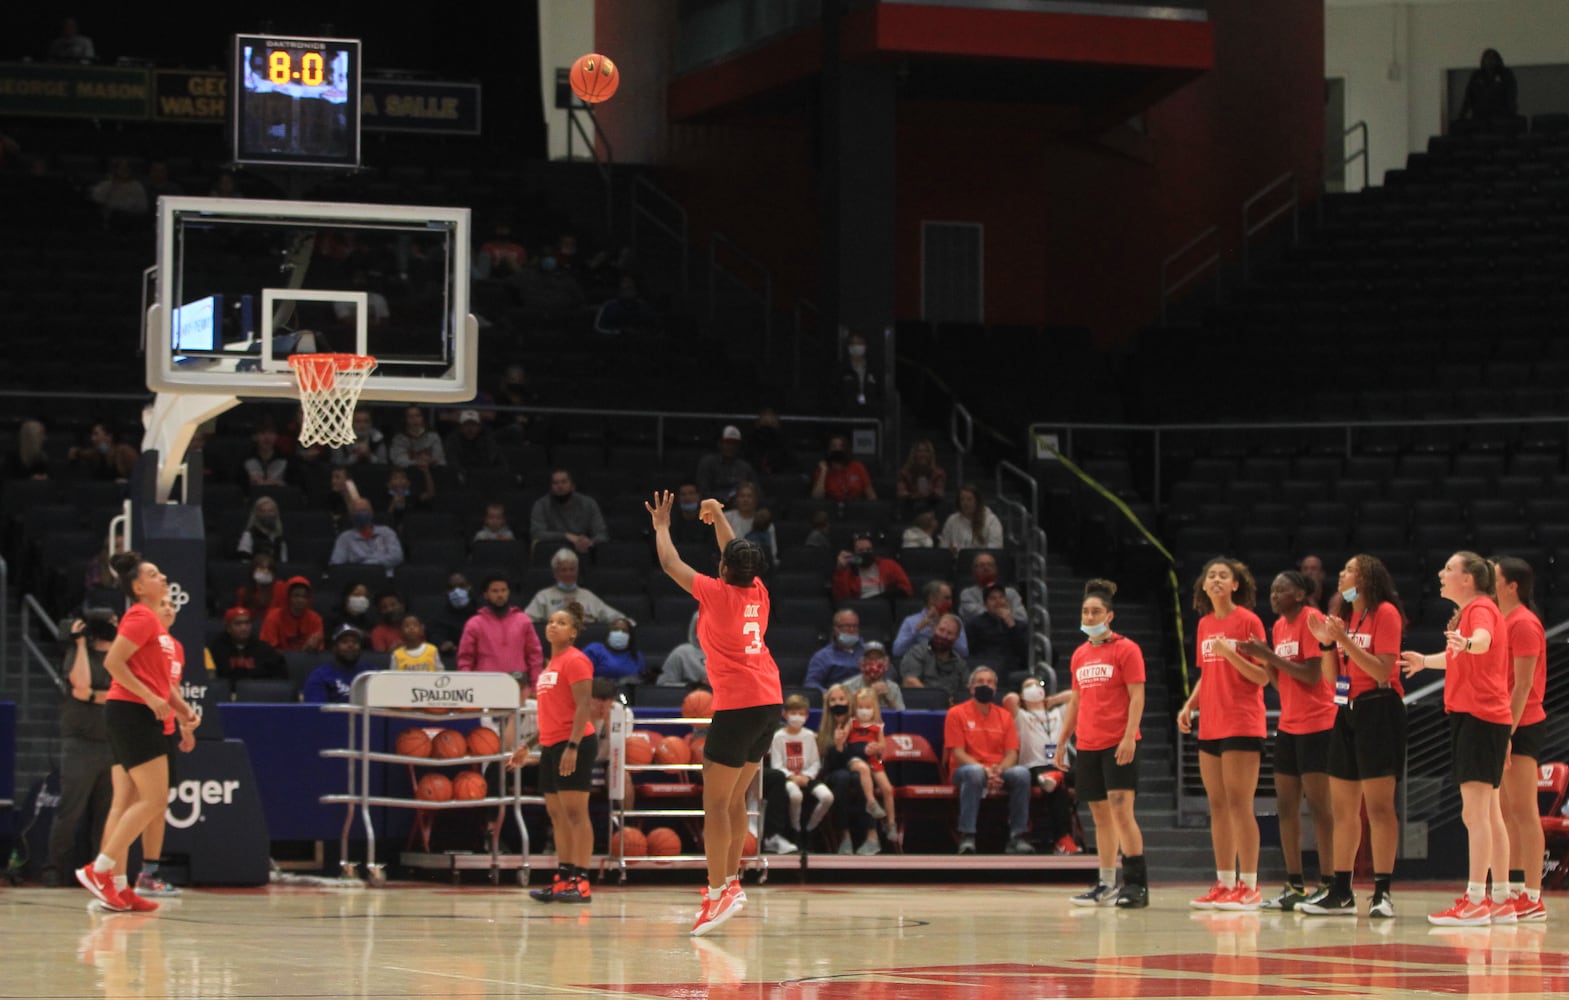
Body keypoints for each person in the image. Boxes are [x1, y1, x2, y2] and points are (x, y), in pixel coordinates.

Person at [646, 490, 782, 936]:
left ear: (723, 570)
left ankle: (717, 888)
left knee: (715, 803)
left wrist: (663, 527)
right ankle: (732, 884)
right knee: (734, 799)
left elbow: (670, 565)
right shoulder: (757, 592)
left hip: (740, 704)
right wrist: (719, 513)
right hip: (769, 701)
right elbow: (735, 552)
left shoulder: (717, 594)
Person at [77, 552, 196, 913]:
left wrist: (184, 710)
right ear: (138, 587)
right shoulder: (141, 615)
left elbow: (162, 680)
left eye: (162, 574)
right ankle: (99, 870)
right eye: (155, 575)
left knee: (141, 800)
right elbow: (114, 663)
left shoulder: (158, 627)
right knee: (152, 800)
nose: (163, 579)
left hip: (143, 713)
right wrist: (148, 697)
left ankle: (120, 884)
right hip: (131, 712)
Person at [1400, 552, 1514, 926]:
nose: (1441, 573)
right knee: (1490, 813)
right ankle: (1501, 899)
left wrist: (1468, 643)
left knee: (1474, 813)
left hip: (1479, 718)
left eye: (1449, 569)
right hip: (1487, 718)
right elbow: (1461, 655)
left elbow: (1480, 641)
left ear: (1468, 579)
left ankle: (1476, 900)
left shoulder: (1479, 609)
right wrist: (1425, 661)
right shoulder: (1478, 610)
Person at [1298, 554, 1406, 919]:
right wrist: (1328, 644)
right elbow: (1332, 679)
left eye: (1347, 570)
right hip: (1346, 710)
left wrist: (1345, 639)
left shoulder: (1385, 613)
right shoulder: (1347, 616)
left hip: (1379, 707)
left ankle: (1382, 891)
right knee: (1342, 808)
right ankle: (1341, 891)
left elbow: (1383, 668)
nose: (1341, 574)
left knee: (1378, 807)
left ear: (1365, 578)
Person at [1236, 571, 1336, 911]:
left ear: (1300, 594)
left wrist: (1270, 656)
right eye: (1273, 588)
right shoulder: (1278, 628)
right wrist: (1267, 659)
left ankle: (1329, 882)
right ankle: (1295, 884)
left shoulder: (1312, 619)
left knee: (1321, 808)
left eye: (1282, 589)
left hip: (1319, 723)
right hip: (1290, 725)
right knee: (1285, 806)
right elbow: (1282, 683)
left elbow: (1311, 675)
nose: (1274, 594)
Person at [1177, 557, 1269, 911]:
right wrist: (1189, 705)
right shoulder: (1203, 625)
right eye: (1211, 575)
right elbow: (1207, 674)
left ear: (1235, 585)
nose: (1216, 579)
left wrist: (1231, 655)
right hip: (1211, 723)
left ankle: (1250, 885)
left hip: (1242, 721)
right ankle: (1224, 881)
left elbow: (1262, 676)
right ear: (1203, 585)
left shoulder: (1248, 621)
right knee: (1217, 806)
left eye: (1223, 575)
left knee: (1238, 803)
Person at [1056, 578, 1148, 907]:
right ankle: (1106, 883)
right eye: (1086, 612)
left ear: (1109, 616)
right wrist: (1062, 740)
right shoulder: (1080, 655)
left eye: (1096, 612)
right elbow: (1076, 702)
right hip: (1088, 744)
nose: (1090, 617)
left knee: (1122, 811)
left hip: (1118, 743)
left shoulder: (1127, 649)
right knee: (1099, 815)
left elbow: (1137, 696)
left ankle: (1136, 885)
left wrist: (1129, 737)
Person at [512, 604, 598, 903]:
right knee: (557, 815)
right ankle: (563, 878)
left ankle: (582, 880)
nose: (553, 626)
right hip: (550, 745)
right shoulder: (549, 666)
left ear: (573, 632)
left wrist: (572, 746)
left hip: (574, 744)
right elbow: (549, 713)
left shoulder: (576, 660)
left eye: (561, 623)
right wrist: (528, 745)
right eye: (550, 621)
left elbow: (584, 707)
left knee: (576, 813)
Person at [126, 593, 199, 898]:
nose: (169, 608)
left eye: (172, 605)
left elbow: (173, 689)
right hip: (140, 725)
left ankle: (148, 873)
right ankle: (108, 870)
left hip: (165, 727)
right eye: (162, 604)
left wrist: (184, 723)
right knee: (129, 803)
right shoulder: (145, 638)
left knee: (158, 806)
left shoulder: (176, 647)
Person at [1491, 556, 1548, 921]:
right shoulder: (1504, 621)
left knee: (1525, 811)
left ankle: (1534, 894)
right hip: (1508, 722)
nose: (1490, 582)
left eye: (1495, 578)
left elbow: (1524, 684)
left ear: (1513, 585)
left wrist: (1507, 731)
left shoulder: (1524, 624)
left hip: (1522, 723)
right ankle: (1512, 888)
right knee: (1508, 810)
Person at [44, 610, 118, 887]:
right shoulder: (78, 654)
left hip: (112, 744)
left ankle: (101, 874)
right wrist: (79, 644)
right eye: (111, 622)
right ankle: (53, 869)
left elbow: (119, 692)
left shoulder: (120, 657)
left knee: (107, 815)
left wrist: (93, 696)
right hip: (80, 745)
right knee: (70, 811)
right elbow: (82, 685)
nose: (116, 626)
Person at [945, 667, 1033, 855]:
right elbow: (958, 753)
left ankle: (1017, 836)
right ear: (971, 687)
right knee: (974, 773)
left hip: (997, 769)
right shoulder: (956, 713)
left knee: (1022, 774)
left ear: (995, 688)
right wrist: (984, 770)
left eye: (990, 682)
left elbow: (1012, 754)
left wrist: (998, 770)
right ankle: (967, 836)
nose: (985, 685)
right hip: (965, 769)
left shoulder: (1004, 715)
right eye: (980, 682)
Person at [1006, 677, 1078, 857]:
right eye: (1028, 686)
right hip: (1034, 767)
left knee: (1088, 768)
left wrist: (1052, 700)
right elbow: (1009, 700)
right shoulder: (1021, 716)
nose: (1034, 688)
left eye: (1037, 685)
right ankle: (1063, 839)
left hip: (1061, 766)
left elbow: (1077, 695)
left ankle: (1056, 777)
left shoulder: (1058, 713)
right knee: (1056, 787)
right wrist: (1022, 697)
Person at [763, 695, 833, 853]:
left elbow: (815, 762)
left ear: (807, 716)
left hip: (807, 776)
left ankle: (809, 829)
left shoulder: (809, 735)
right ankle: (795, 831)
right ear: (785, 714)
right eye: (793, 713)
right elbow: (776, 765)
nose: (797, 717)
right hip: (787, 778)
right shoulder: (778, 737)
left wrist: (807, 776)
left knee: (827, 797)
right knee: (795, 796)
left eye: (801, 714)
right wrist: (792, 777)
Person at [458, 574, 545, 683]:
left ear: (508, 592)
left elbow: (535, 656)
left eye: (503, 590)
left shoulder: (523, 621)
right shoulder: (474, 624)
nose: (500, 595)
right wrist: (468, 686)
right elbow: (465, 660)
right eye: (495, 591)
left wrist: (535, 685)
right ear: (486, 594)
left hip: (519, 684)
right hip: (485, 685)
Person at [845, 687, 898, 852]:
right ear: (855, 708)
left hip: (873, 759)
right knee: (864, 771)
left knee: (888, 789)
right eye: (861, 707)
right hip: (856, 758)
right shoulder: (851, 723)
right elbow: (844, 741)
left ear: (874, 708)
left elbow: (882, 745)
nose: (864, 711)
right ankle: (871, 802)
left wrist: (876, 747)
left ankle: (891, 823)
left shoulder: (877, 726)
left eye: (868, 707)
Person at [525, 549, 626, 624]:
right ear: (555, 573)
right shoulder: (543, 596)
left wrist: (625, 624)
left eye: (572, 569)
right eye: (564, 570)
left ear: (577, 571)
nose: (569, 574)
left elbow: (614, 616)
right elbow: (525, 622)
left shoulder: (588, 595)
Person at [529, 469, 608, 555]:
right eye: (555, 483)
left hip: (584, 550)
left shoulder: (589, 503)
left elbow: (602, 534)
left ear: (573, 486)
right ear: (551, 488)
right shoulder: (541, 504)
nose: (560, 486)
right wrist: (566, 536)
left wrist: (589, 542)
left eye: (564, 482)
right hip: (553, 552)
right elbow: (536, 533)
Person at [900, 614, 968, 704]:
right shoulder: (917, 652)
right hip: (920, 706)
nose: (944, 636)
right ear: (934, 629)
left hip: (951, 710)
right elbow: (910, 682)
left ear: (956, 637)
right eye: (941, 630)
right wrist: (937, 700)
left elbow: (967, 691)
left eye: (950, 633)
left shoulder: (960, 663)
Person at [966, 584, 1031, 677]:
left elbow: (1025, 653)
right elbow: (970, 651)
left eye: (1001, 597)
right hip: (985, 667)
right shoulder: (975, 624)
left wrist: (1012, 626)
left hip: (1011, 669)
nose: (998, 602)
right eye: (993, 599)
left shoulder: (1020, 626)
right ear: (985, 605)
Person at [205, 607, 286, 680]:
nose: (244, 628)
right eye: (238, 624)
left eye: (247, 623)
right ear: (228, 628)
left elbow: (279, 675)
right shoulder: (217, 648)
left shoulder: (263, 649)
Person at [892, 581, 968, 658]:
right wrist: (917, 629)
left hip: (948, 665)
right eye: (947, 598)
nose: (950, 602)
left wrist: (947, 636)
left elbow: (964, 652)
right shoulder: (910, 621)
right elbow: (897, 651)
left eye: (950, 598)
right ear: (932, 599)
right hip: (920, 665)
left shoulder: (955, 621)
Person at [831, 534, 913, 602]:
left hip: (883, 604)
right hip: (859, 607)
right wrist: (841, 570)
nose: (865, 553)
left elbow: (906, 589)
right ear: (853, 554)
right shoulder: (847, 570)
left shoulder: (889, 565)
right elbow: (841, 598)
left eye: (868, 549)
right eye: (860, 551)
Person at [303, 625, 373, 704]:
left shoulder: (371, 673)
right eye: (344, 642)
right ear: (334, 647)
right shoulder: (320, 676)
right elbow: (316, 712)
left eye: (355, 642)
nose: (350, 645)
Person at [330, 497, 404, 570]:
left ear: (371, 512)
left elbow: (397, 556)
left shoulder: (387, 532)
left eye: (364, 510)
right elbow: (336, 563)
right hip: (358, 578)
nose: (361, 514)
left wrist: (367, 564)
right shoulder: (344, 537)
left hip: (386, 576)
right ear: (351, 515)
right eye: (357, 511)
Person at [804, 609, 867, 690]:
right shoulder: (823, 656)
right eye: (847, 626)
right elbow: (810, 683)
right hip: (838, 698)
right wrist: (829, 695)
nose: (852, 630)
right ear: (835, 630)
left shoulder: (869, 651)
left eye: (855, 626)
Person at [260, 577, 324, 652]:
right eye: (296, 595)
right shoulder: (273, 617)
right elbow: (267, 649)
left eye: (304, 596)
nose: (300, 600)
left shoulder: (315, 619)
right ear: (288, 597)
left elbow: (319, 649)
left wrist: (313, 646)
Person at [958, 552, 1027, 621]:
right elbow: (975, 618)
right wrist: (1006, 613)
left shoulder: (1011, 593)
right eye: (981, 565)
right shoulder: (967, 594)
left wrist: (992, 612)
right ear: (974, 571)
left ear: (996, 569)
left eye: (990, 565)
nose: (986, 568)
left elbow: (1022, 617)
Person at [723, 481, 777, 567]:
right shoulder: (726, 518)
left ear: (756, 500)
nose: (745, 499)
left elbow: (772, 553)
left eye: (749, 496)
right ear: (736, 499)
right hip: (731, 564)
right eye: (742, 496)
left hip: (757, 566)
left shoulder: (765, 522)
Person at [1459, 48, 1518, 124]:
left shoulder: (1506, 74)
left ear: (1498, 60)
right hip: (1479, 118)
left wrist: (1512, 114)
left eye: (1492, 58)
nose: (1490, 61)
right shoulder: (1477, 75)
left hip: (1501, 118)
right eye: (1487, 58)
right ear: (1483, 60)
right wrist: (1462, 115)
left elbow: (1511, 95)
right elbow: (1468, 97)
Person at [810, 434, 876, 502]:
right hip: (831, 507)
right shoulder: (823, 467)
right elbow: (816, 498)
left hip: (855, 507)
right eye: (834, 446)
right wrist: (823, 471)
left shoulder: (857, 466)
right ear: (829, 450)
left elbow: (871, 495)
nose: (838, 449)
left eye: (842, 446)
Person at [841, 641, 904, 711]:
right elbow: (845, 715)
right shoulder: (848, 687)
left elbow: (900, 717)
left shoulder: (893, 688)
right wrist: (870, 697)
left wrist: (888, 698)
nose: (874, 663)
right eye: (870, 659)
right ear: (862, 663)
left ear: (886, 664)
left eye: (878, 658)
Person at [940, 484, 1004, 550]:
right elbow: (943, 546)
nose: (965, 503)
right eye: (962, 499)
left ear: (977, 501)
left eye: (969, 499)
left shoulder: (991, 520)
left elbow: (995, 548)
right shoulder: (952, 520)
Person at [67, 422, 138, 481]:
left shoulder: (125, 452)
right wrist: (75, 452)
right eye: (92, 435)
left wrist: (128, 483)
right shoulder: (95, 453)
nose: (92, 439)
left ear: (109, 436)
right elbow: (80, 452)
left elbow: (141, 475)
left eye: (96, 434)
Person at [583, 618, 644, 682]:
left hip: (627, 690)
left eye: (624, 631)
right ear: (609, 633)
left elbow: (640, 679)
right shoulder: (594, 649)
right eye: (615, 629)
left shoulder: (636, 655)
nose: (620, 633)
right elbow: (580, 676)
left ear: (630, 636)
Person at [658, 611, 708, 687]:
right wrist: (690, 686)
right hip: (691, 697)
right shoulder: (681, 653)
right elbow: (663, 685)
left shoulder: (731, 654)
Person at [836, 330, 882, 416]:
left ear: (865, 346)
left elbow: (881, 394)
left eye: (859, 343)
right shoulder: (841, 369)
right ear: (848, 346)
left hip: (870, 418)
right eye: (853, 343)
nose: (856, 346)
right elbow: (833, 392)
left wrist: (875, 408)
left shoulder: (874, 370)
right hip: (847, 419)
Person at [896, 440, 946, 516]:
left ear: (930, 455)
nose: (923, 454)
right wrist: (915, 496)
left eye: (926, 451)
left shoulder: (938, 473)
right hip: (910, 507)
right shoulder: (904, 473)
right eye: (919, 451)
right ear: (914, 454)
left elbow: (939, 492)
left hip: (931, 507)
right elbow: (901, 493)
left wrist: (929, 493)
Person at [744, 408, 797, 475]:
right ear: (757, 425)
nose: (768, 429)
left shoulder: (785, 445)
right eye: (765, 424)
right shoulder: (749, 443)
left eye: (772, 425)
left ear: (778, 426)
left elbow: (794, 469)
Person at [234, 496, 288, 562]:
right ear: (257, 513)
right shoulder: (248, 534)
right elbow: (243, 561)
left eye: (270, 511)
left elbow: (284, 562)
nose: (267, 514)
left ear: (275, 513)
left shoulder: (279, 537)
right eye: (263, 511)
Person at [234, 553, 283, 618]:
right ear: (253, 570)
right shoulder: (243, 592)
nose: (266, 571)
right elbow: (240, 615)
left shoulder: (280, 587)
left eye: (269, 569)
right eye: (262, 568)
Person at [242, 421, 290, 487]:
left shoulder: (286, 459)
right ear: (255, 437)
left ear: (276, 436)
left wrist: (278, 483)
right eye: (262, 433)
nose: (267, 438)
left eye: (271, 433)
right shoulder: (246, 459)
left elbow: (293, 487)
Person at [669, 481, 718, 547]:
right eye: (683, 494)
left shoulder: (709, 519)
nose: (687, 498)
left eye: (691, 493)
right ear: (678, 498)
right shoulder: (672, 521)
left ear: (698, 496)